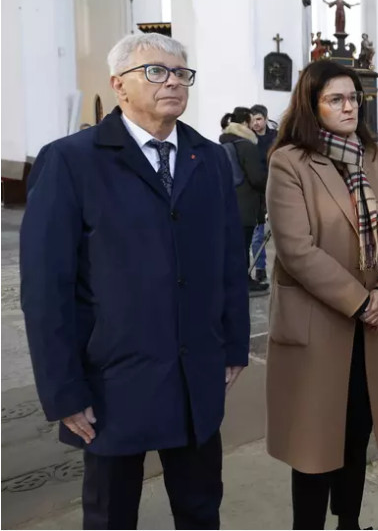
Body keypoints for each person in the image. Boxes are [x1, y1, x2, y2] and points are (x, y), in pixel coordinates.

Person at [20, 32, 250, 529]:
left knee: (200, 507)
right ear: (118, 85)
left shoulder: (209, 158)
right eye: (156, 71)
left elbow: (229, 260)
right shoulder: (71, 160)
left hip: (193, 373)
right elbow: (45, 289)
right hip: (111, 380)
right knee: (111, 514)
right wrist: (63, 390)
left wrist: (233, 345)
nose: (173, 82)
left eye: (181, 73)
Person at [264, 60, 378, 530]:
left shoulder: (375, 157)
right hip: (319, 323)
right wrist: (360, 301)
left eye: (353, 99)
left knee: (355, 431)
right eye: (336, 100)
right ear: (312, 105)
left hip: (371, 323)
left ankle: (349, 521)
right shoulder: (290, 161)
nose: (349, 107)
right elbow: (296, 249)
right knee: (313, 442)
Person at [220, 107, 269, 293]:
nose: (254, 125)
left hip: (228, 202)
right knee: (243, 245)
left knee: (233, 246)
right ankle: (243, 281)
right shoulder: (247, 146)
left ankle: (233, 280)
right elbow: (256, 179)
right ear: (244, 123)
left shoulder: (224, 143)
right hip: (245, 204)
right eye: (251, 121)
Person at [248, 104, 278, 282]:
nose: (256, 123)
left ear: (266, 119)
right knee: (257, 235)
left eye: (259, 119)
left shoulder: (276, 138)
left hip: (277, 188)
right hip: (257, 192)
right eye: (252, 120)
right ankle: (260, 268)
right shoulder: (248, 139)